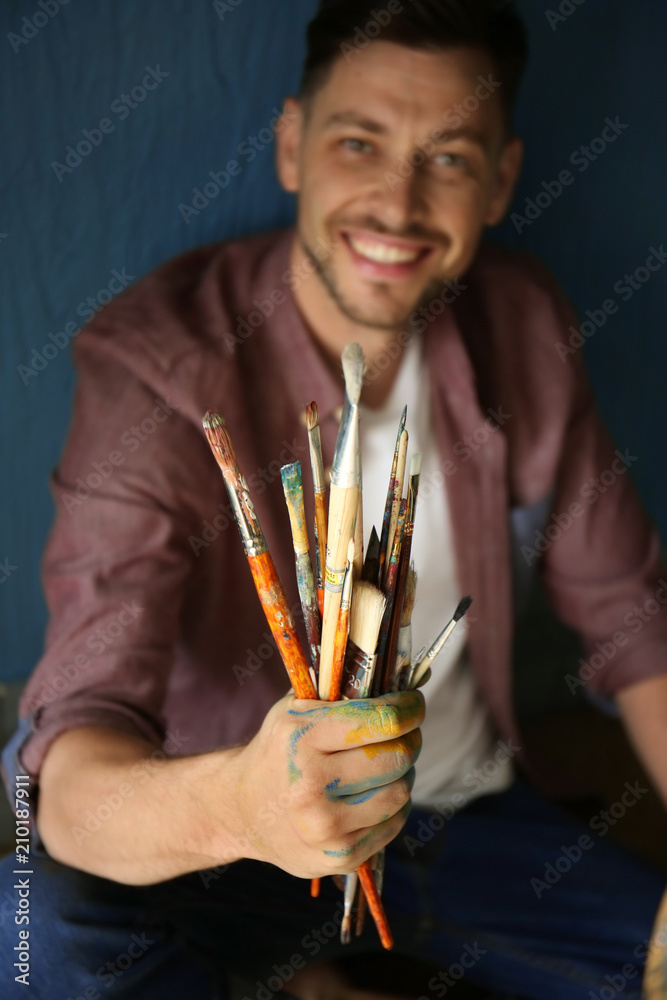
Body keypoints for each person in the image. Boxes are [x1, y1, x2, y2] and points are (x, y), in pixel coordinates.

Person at [1, 1, 666, 998]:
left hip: (464, 829)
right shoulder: (157, 366)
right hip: (227, 852)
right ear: (291, 147)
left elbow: (632, 621)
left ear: (502, 181)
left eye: (446, 156)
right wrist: (242, 808)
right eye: (359, 142)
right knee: (27, 929)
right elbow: (72, 771)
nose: (397, 203)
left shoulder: (523, 324)